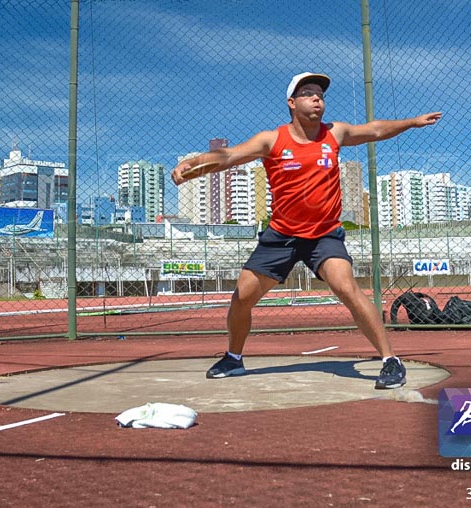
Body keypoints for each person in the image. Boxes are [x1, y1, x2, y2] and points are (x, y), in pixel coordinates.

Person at [171, 71, 442, 389]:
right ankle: (233, 358)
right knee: (242, 297)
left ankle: (389, 360)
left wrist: (411, 122)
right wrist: (195, 162)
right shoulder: (271, 140)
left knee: (346, 288)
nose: (317, 98)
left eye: (321, 94)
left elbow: (375, 129)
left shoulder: (334, 133)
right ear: (291, 102)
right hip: (281, 236)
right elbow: (229, 155)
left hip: (324, 235)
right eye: (309, 93)